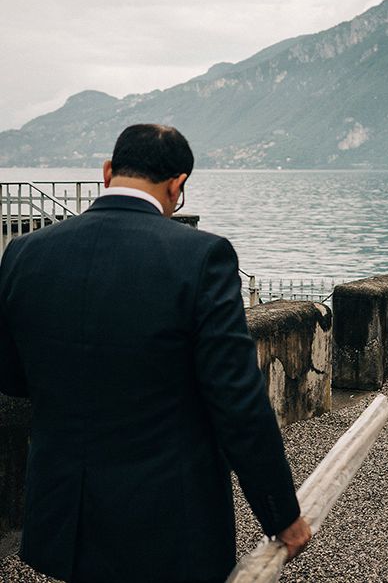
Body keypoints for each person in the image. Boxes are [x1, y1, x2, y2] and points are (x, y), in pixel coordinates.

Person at [0, 124, 311, 583]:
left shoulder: (24, 252)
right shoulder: (202, 257)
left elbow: (11, 375)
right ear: (177, 184)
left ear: (108, 171)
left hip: (65, 511)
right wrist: (281, 514)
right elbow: (238, 404)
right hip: (165, 519)